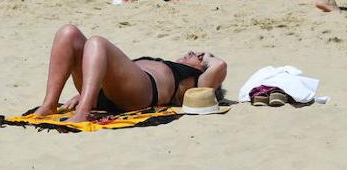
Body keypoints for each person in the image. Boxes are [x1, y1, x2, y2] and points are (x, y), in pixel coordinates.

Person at [33, 24, 226, 124]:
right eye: (199, 53)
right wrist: (81, 94)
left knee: (97, 43)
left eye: (201, 57)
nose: (195, 53)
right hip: (105, 90)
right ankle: (49, 105)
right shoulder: (168, 64)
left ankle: (83, 112)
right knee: (69, 33)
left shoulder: (196, 80)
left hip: (140, 94)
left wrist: (208, 58)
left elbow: (220, 65)